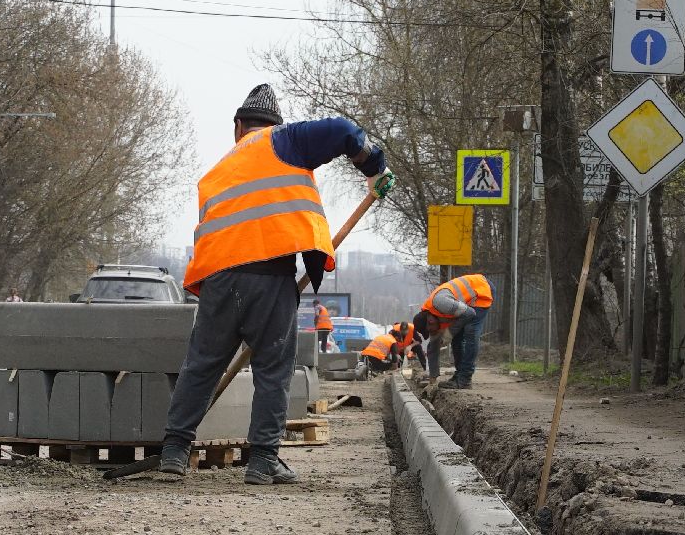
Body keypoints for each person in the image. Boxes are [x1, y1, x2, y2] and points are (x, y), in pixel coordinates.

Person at [159, 84, 392, 485]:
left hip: (217, 279)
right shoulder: (283, 140)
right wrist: (374, 168)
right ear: (272, 124)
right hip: (268, 276)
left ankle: (174, 451)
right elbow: (343, 130)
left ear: (237, 126)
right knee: (273, 368)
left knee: (201, 365)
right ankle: (263, 459)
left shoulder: (217, 172)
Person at [414, 273, 493, 389]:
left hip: (480, 291)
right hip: (466, 305)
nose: (434, 332)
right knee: (457, 339)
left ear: (430, 321)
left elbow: (470, 313)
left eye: (431, 330)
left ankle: (465, 379)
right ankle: (459, 376)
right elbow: (433, 347)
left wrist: (449, 333)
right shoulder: (434, 320)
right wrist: (432, 380)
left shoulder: (440, 303)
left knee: (470, 332)